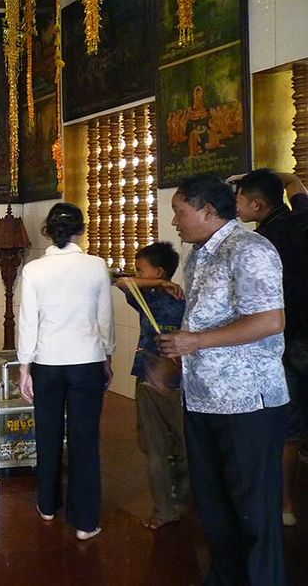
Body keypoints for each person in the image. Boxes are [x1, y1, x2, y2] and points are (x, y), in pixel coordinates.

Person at [158, 173, 288, 585]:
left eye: (180, 212)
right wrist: (177, 355)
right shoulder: (198, 255)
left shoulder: (250, 249)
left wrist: (197, 341)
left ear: (208, 211)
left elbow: (270, 319)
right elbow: (198, 321)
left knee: (253, 512)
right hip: (202, 398)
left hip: (247, 402)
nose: (175, 221)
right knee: (213, 508)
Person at [18, 202, 114, 541]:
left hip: (46, 362)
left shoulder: (34, 270)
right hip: (86, 361)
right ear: (81, 230)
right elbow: (105, 319)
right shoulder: (96, 266)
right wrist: (107, 355)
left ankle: (47, 505)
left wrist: (24, 365)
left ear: (47, 230)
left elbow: (29, 322)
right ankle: (85, 522)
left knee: (47, 434)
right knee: (84, 440)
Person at [233, 168, 308, 527]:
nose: (237, 207)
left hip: (288, 339)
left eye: (241, 200)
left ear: (258, 205)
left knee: (288, 426)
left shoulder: (261, 243)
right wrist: (277, 177)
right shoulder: (302, 218)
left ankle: (286, 505)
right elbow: (295, 184)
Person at [113, 242, 188, 530]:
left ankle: (167, 507)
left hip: (158, 377)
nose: (136, 273)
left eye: (141, 269)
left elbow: (123, 282)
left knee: (158, 445)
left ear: (158, 271)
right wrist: (161, 280)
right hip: (167, 378)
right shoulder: (162, 296)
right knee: (172, 443)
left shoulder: (158, 298)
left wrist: (160, 283)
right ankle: (177, 500)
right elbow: (124, 281)